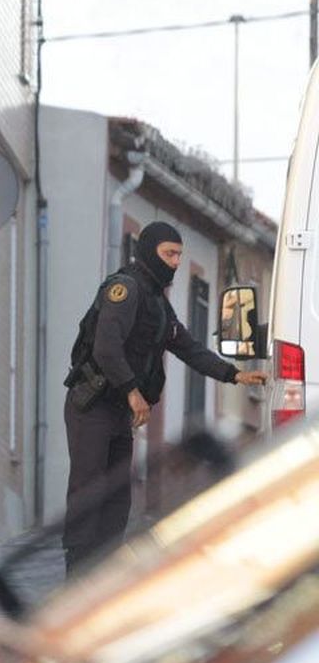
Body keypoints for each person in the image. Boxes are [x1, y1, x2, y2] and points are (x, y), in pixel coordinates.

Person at [62, 220, 266, 572]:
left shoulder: (157, 300)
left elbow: (187, 346)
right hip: (92, 406)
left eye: (179, 255)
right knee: (88, 493)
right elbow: (106, 348)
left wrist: (234, 374)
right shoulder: (125, 289)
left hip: (117, 411)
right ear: (148, 251)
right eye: (169, 253)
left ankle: (103, 575)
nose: (175, 262)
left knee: (116, 498)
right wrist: (133, 393)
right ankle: (74, 577)